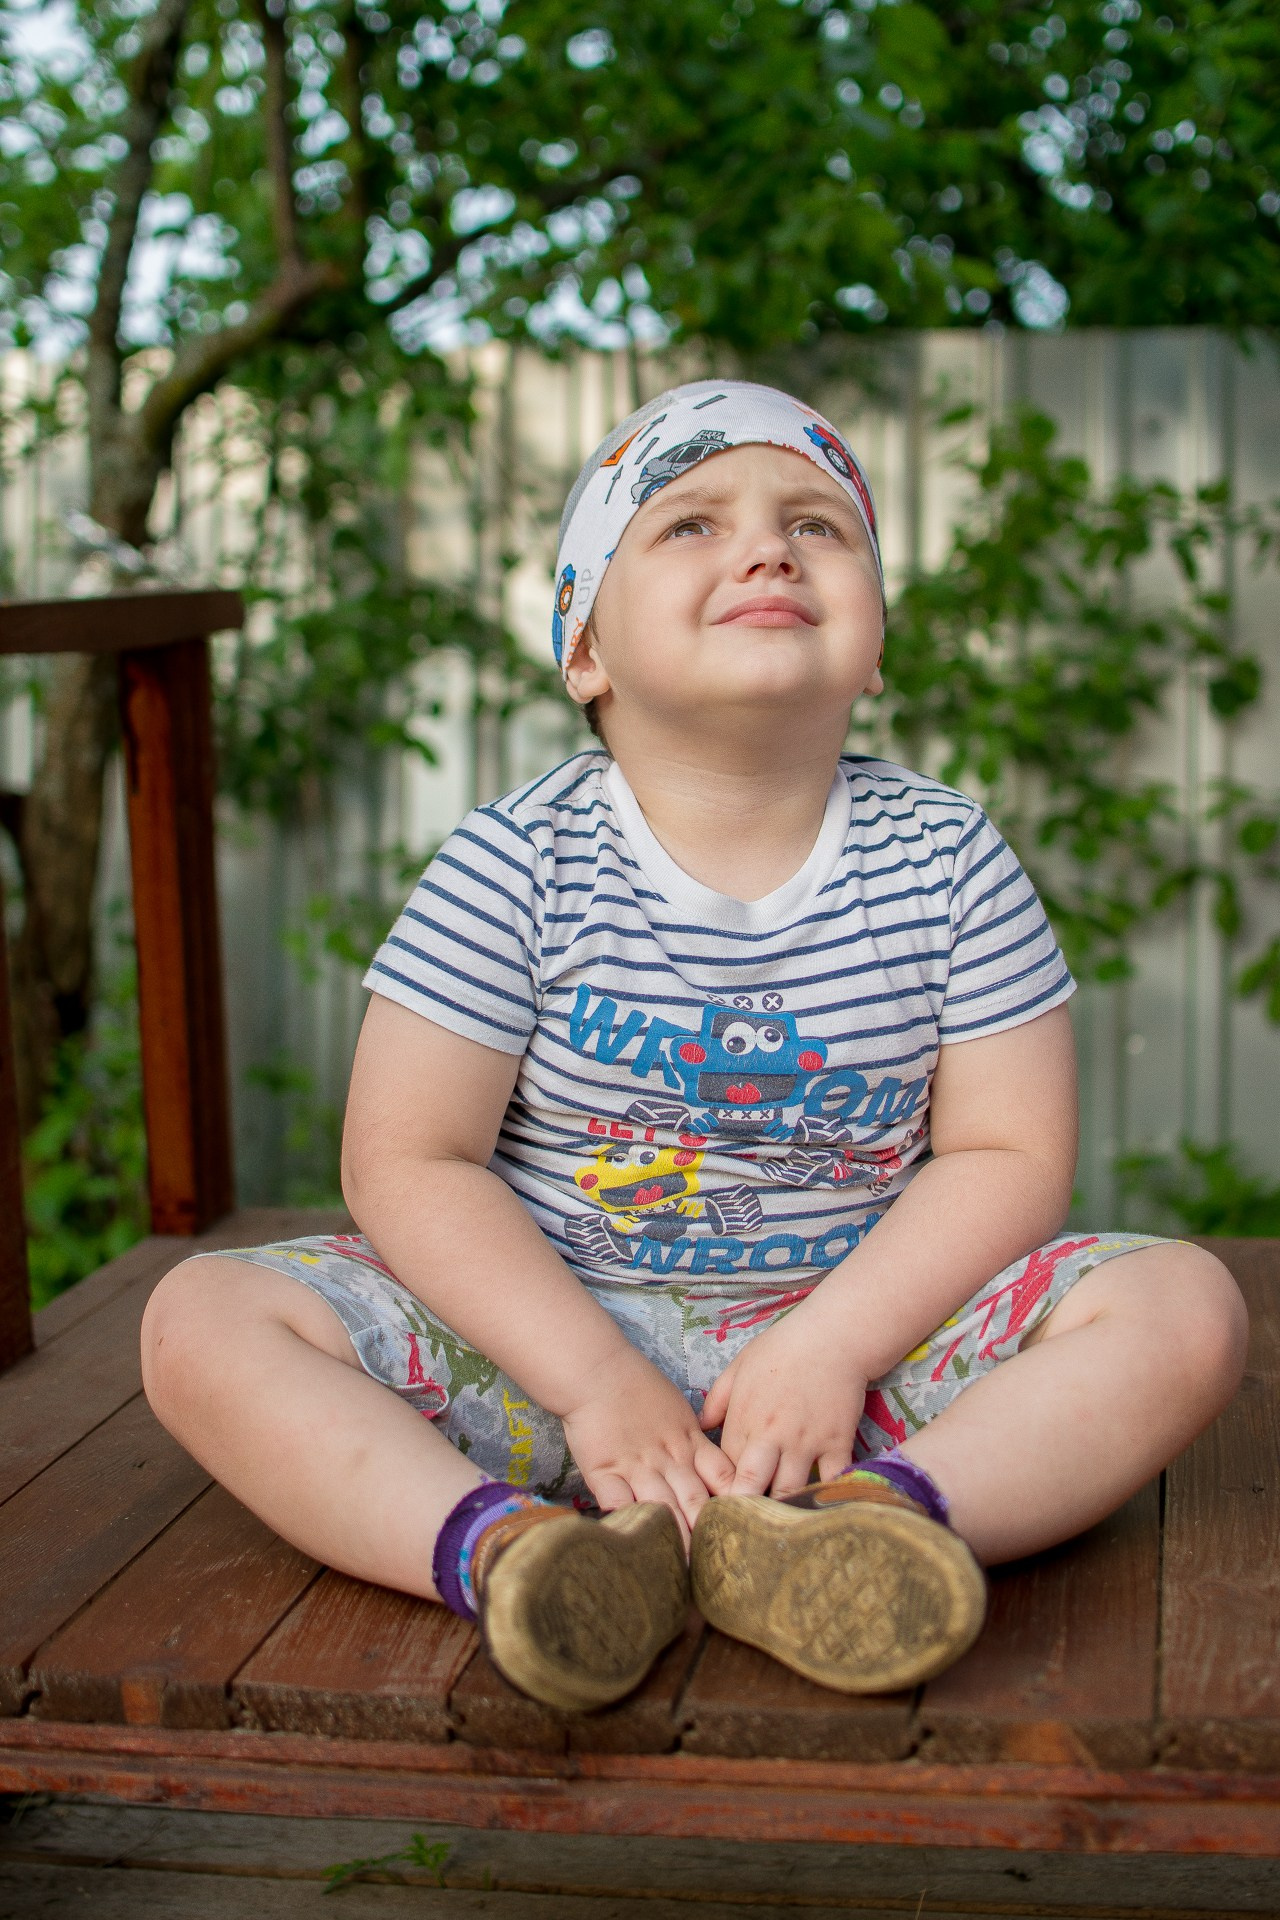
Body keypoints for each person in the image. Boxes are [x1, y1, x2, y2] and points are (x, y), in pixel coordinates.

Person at [141, 381, 1249, 1713]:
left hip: (860, 1364)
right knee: (201, 1321)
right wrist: (596, 1379)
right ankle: (520, 1555)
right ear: (586, 648)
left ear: (876, 643)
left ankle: (870, 1528)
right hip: (543, 1358)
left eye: (819, 526)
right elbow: (408, 1161)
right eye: (689, 525)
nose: (769, 548)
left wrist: (834, 1348)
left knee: (1185, 1310)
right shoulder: (517, 865)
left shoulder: (949, 860)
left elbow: (1009, 1154)